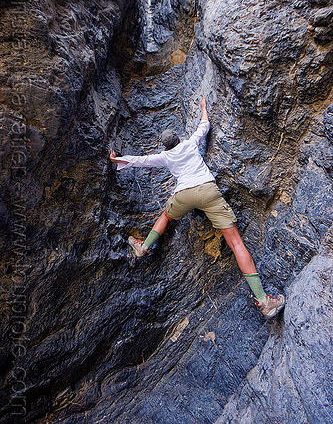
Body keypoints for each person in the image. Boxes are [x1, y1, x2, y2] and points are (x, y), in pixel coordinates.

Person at [109, 98, 285, 319]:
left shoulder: (164, 156)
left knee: (166, 215)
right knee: (236, 243)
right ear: (180, 139)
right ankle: (263, 300)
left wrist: (117, 160)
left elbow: (140, 160)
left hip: (183, 195)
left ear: (165, 146)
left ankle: (143, 247)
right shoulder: (190, 143)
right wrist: (203, 108)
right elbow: (204, 126)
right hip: (208, 190)